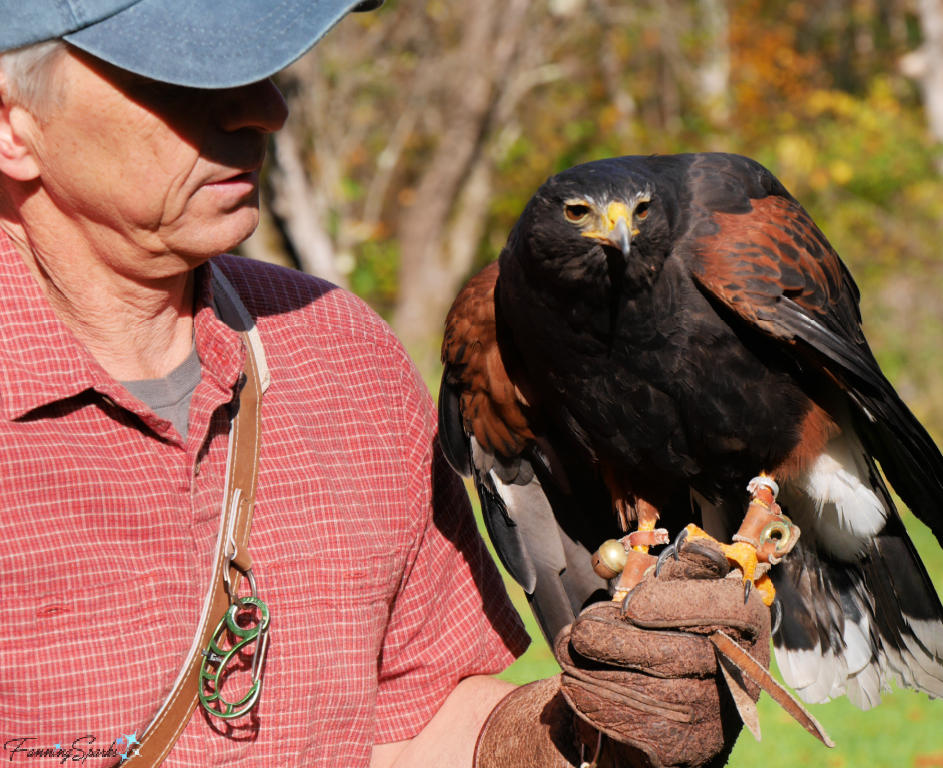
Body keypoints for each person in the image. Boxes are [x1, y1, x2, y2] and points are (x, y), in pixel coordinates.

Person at [0, 3, 768, 767]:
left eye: (264, 71)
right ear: (13, 126)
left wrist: (599, 728)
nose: (266, 110)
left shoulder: (338, 350)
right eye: (186, 77)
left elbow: (414, 725)